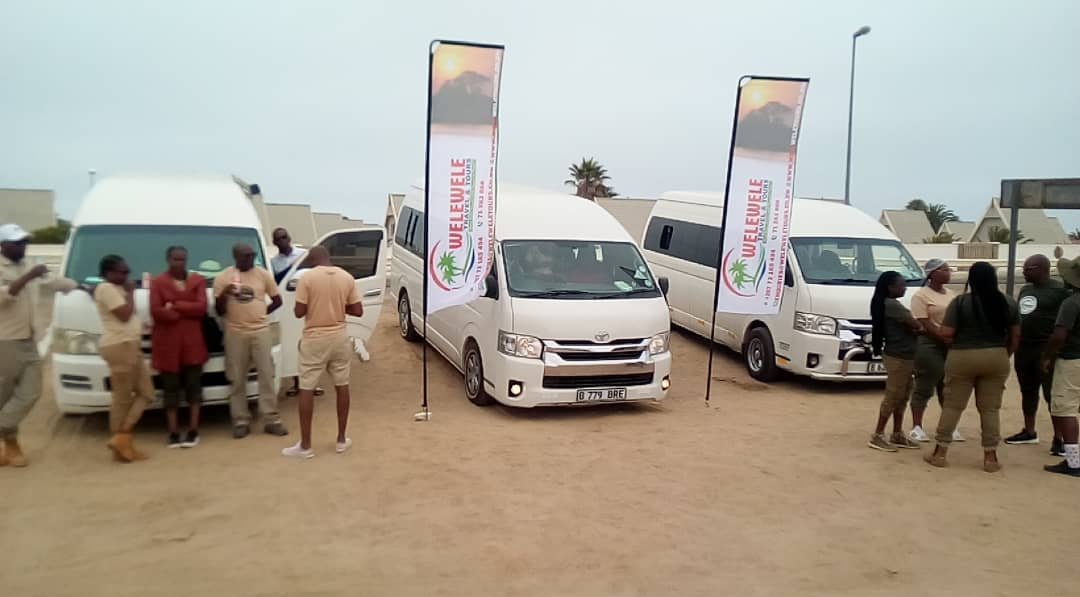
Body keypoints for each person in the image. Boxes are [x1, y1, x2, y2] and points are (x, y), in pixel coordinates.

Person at [925, 261, 1019, 472]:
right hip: (996, 356)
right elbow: (1016, 336)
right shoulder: (1008, 302)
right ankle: (990, 457)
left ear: (972, 280)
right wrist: (1005, 355)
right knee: (990, 408)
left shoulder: (960, 302)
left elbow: (947, 333)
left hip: (962, 356)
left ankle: (940, 453)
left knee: (953, 406)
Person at [0, 223, 78, 467]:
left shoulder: (28, 265)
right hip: (6, 341)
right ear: (3, 245)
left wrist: (82, 287)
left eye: (24, 242)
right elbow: (4, 296)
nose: (23, 246)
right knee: (4, 395)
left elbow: (54, 282)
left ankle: (4, 429)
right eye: (17, 242)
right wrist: (29, 276)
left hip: (29, 340)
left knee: (32, 392)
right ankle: (10, 446)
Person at [282, 246, 362, 459]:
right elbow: (358, 310)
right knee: (342, 385)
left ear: (312, 260)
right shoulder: (346, 277)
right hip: (340, 337)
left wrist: (314, 305)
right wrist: (338, 306)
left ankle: (306, 446)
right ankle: (341, 440)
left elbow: (299, 312)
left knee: (306, 388)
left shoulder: (307, 278)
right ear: (328, 258)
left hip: (314, 339)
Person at [213, 243, 287, 439]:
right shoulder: (224, 277)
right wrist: (226, 293)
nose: (250, 259)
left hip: (260, 331)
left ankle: (271, 419)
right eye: (245, 256)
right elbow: (218, 310)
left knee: (266, 375)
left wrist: (262, 313)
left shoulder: (263, 275)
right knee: (237, 377)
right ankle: (240, 420)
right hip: (235, 332)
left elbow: (278, 300)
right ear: (235, 256)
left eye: (252, 255)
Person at [1006, 254, 1068, 452]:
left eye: (1028, 269)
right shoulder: (1026, 289)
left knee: (1052, 395)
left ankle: (1059, 438)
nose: (1024, 272)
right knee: (1028, 391)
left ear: (1042, 269)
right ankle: (1029, 431)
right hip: (1025, 348)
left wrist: (1053, 352)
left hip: (1046, 349)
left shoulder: (1060, 291)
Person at [95, 255, 153, 462]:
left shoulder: (117, 289)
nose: (127, 276)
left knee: (147, 393)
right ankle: (121, 443)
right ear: (108, 272)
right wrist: (130, 292)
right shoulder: (106, 288)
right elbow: (124, 315)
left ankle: (121, 437)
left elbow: (131, 314)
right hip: (119, 345)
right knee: (122, 398)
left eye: (128, 271)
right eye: (122, 272)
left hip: (130, 344)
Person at [150, 246, 208, 448]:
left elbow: (201, 308)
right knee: (170, 390)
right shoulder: (158, 282)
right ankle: (173, 432)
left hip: (192, 344)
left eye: (182, 259)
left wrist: (174, 304)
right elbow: (156, 311)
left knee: (194, 389)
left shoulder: (197, 280)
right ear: (168, 260)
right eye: (175, 259)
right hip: (168, 346)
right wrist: (186, 308)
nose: (179, 263)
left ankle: (193, 430)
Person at [867, 271, 923, 451]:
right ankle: (878, 434)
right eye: (901, 285)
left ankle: (897, 433)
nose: (904, 288)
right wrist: (917, 328)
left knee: (902, 395)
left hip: (904, 355)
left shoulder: (886, 304)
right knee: (893, 396)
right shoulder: (892, 305)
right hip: (898, 356)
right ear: (890, 287)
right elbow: (916, 325)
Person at [908, 259, 962, 443]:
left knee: (948, 387)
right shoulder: (921, 296)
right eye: (944, 270)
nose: (948, 272)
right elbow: (923, 322)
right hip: (929, 344)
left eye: (948, 269)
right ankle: (917, 427)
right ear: (932, 273)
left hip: (950, 344)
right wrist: (943, 337)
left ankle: (948, 426)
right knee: (925, 384)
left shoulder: (952, 294)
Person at [1040, 256, 1080, 477]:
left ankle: (1074, 461)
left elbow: (1059, 335)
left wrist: (1047, 356)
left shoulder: (1072, 303)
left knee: (1066, 409)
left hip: (1072, 359)